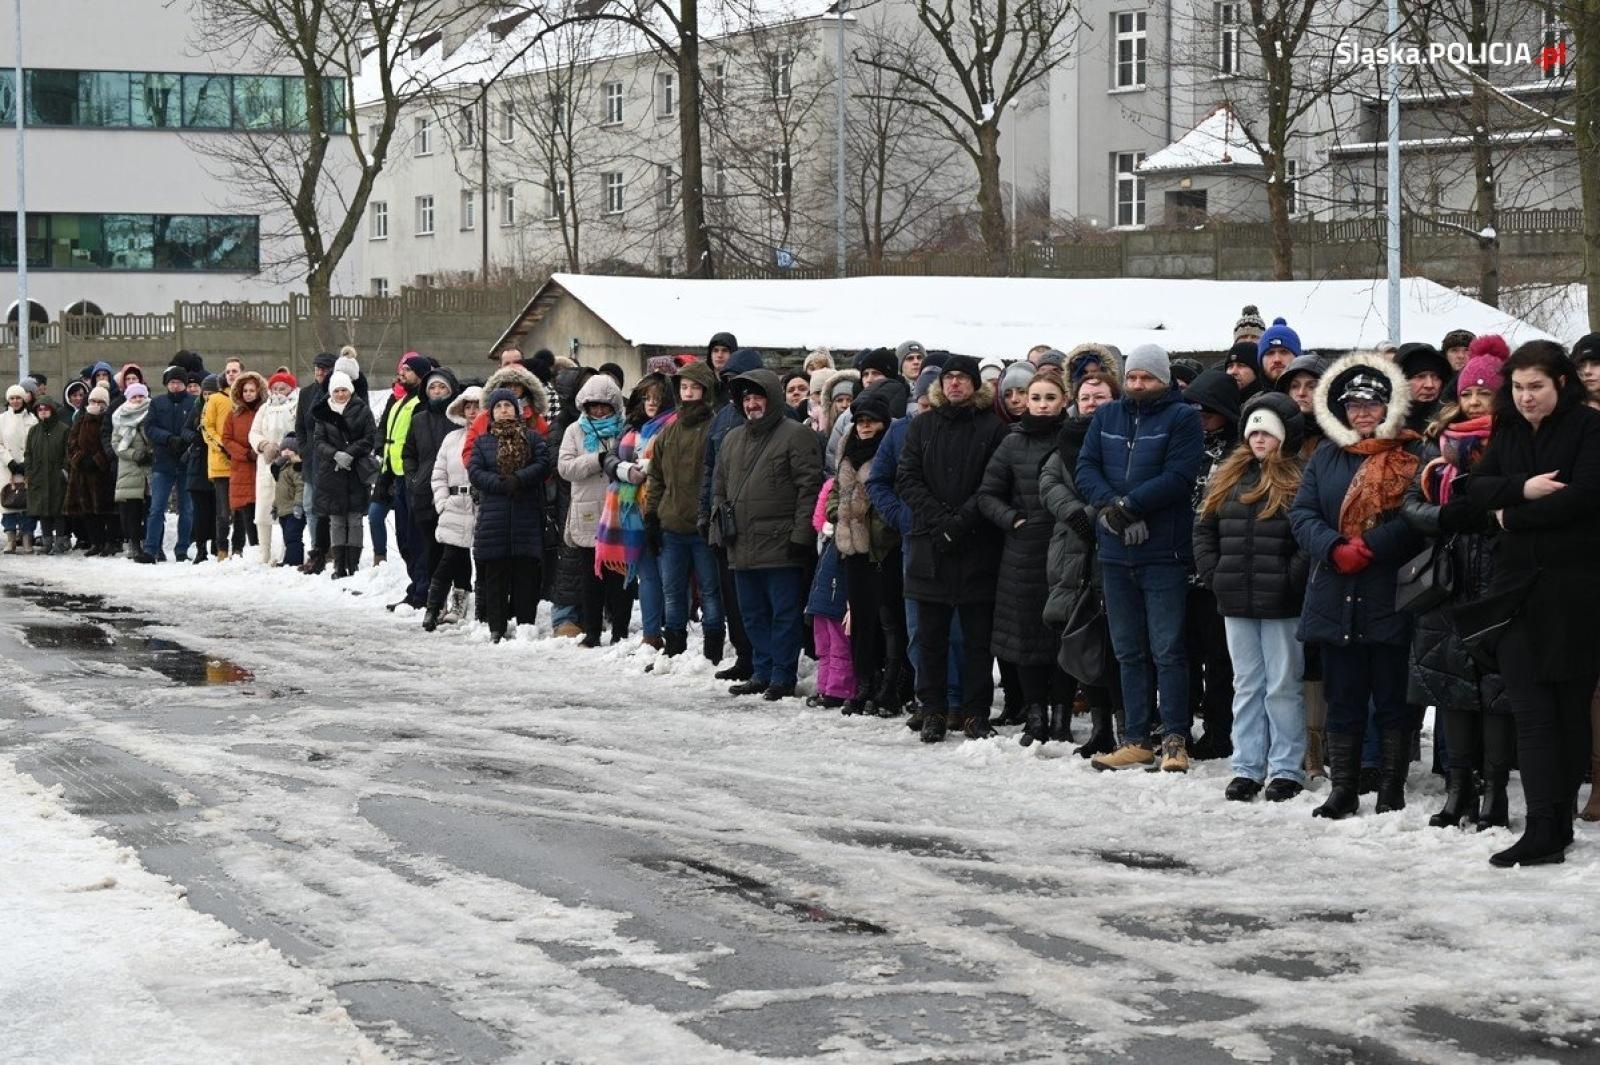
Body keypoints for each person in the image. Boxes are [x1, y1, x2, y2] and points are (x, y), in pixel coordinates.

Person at [1463, 341, 1600, 866]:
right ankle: (1542, 825)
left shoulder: (1589, 430)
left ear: (1560, 383)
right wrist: (1525, 487)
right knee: (1532, 712)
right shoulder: (1510, 431)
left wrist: (1512, 514)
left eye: (1535, 387)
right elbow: (1477, 489)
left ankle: (1557, 823)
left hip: (1576, 595)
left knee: (1567, 710)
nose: (1525, 398)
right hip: (1516, 594)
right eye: (1517, 388)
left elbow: (1586, 497)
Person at [1290, 351, 1425, 819]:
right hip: (1335, 590)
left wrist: (1371, 546)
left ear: (1389, 406)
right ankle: (1344, 788)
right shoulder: (1326, 455)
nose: (1362, 412)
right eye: (1354, 405)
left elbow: (1419, 515)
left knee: (1392, 698)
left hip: (1390, 589)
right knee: (1342, 698)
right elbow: (1302, 514)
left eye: (1371, 404)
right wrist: (1333, 547)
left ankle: (1391, 787)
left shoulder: (1411, 454)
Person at [1400, 344, 1513, 831]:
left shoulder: (1513, 444)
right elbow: (1410, 504)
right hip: (1447, 584)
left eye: (1485, 392)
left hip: (1496, 583)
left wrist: (1487, 515)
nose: (1475, 401)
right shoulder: (1438, 444)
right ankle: (1457, 790)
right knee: (1452, 692)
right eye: (1468, 392)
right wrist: (1444, 514)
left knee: (1495, 694)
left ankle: (1495, 794)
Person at [1077, 344, 1204, 772]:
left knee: (1168, 649)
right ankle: (1135, 737)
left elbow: (1180, 475)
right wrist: (1114, 508)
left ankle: (1174, 738)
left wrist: (1132, 506)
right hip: (1114, 552)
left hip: (1163, 551)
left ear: (1163, 379)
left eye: (1146, 378)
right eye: (1132, 377)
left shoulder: (1183, 417)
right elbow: (1086, 468)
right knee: (1128, 649)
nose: (1137, 385)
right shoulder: (1107, 416)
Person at [1195, 392, 1310, 801]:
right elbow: (1204, 528)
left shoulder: (1298, 477)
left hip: (1280, 601)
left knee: (1282, 684)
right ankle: (1247, 765)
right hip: (1236, 597)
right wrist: (1215, 574)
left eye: (1268, 432)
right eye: (1254, 431)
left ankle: (1286, 768)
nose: (1259, 439)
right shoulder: (1227, 475)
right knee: (1246, 684)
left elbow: (1306, 538)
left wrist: (1289, 579)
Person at [897, 355, 1009, 741]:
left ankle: (976, 711)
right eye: (949, 378)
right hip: (931, 546)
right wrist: (940, 520)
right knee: (930, 638)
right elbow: (907, 477)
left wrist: (961, 522)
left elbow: (994, 483)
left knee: (977, 640)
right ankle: (933, 710)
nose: (955, 384)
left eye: (963, 378)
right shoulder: (923, 425)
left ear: (975, 385)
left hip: (978, 546)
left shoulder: (993, 428)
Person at [712, 368, 823, 699]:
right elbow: (719, 487)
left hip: (781, 544)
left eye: (758, 396)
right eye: (746, 398)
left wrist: (801, 535)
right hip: (741, 544)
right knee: (752, 614)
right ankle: (761, 670)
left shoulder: (795, 435)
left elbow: (809, 488)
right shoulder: (731, 439)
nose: (751, 403)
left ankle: (783, 675)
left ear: (772, 398)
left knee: (784, 615)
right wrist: (719, 525)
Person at [979, 368, 1071, 746]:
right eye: (1036, 398)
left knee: (1066, 633)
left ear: (1063, 400)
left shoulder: (1074, 437)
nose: (1042, 405)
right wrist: (1012, 519)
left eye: (1050, 397)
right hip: (1024, 551)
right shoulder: (1012, 443)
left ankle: (1062, 713)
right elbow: (988, 493)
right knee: (1028, 635)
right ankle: (1035, 713)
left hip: (1069, 548)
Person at [1041, 371, 1124, 757]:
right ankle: (1100, 727)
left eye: (1101, 396)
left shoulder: (1122, 438)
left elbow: (1124, 485)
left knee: (1118, 645)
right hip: (1072, 556)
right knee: (1081, 640)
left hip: (1112, 548)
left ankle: (1129, 728)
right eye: (1086, 397)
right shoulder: (1066, 439)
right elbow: (1048, 482)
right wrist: (1073, 512)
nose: (1092, 402)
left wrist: (1091, 514)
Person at [645, 361, 725, 662]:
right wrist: (651, 516)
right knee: (672, 593)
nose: (688, 393)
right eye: (683, 387)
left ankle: (713, 651)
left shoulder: (714, 428)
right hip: (671, 525)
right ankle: (675, 648)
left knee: (710, 592)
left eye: (694, 387)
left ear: (705, 391)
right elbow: (656, 477)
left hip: (703, 527)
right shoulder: (669, 431)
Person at [830, 387, 903, 715]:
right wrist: (837, 512)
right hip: (853, 548)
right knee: (860, 620)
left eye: (872, 421)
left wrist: (878, 519)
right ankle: (864, 681)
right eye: (860, 420)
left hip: (883, 546)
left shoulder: (891, 452)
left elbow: (896, 492)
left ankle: (892, 684)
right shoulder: (848, 451)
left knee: (888, 619)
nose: (865, 426)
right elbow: (835, 489)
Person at [1183, 368, 1243, 758]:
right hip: (1178, 565)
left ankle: (1219, 730)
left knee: (1220, 659)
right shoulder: (1183, 445)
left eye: (1209, 408)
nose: (1201, 414)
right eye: (1195, 407)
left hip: (1221, 567)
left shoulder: (1238, 453)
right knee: (1183, 653)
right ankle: (1178, 727)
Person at [699, 348, 766, 680]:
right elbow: (710, 471)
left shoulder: (774, 415)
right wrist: (704, 513)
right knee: (733, 596)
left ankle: (766, 661)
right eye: (728, 381)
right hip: (725, 520)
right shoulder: (722, 419)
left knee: (760, 598)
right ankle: (744, 656)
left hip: (762, 521)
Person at [598, 374, 675, 650]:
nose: (651, 403)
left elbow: (664, 464)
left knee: (669, 576)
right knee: (647, 575)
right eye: (646, 397)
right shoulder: (632, 424)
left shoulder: (672, 424)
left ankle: (673, 631)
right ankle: (651, 633)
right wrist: (625, 470)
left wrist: (641, 467)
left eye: (656, 397)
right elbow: (608, 457)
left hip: (663, 508)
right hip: (632, 511)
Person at [469, 388, 552, 643]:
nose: (504, 409)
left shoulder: (533, 437)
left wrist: (519, 479)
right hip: (494, 518)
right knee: (495, 575)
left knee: (525, 573)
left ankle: (526, 623)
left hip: (526, 515)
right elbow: (475, 471)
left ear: (517, 410)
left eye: (508, 405)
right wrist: (499, 483)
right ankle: (496, 625)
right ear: (491, 413)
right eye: (498, 406)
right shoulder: (483, 442)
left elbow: (543, 463)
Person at [557, 373, 632, 647]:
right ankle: (592, 631)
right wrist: (598, 459)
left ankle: (620, 632)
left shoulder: (625, 429)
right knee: (591, 576)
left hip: (618, 509)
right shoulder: (574, 431)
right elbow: (565, 468)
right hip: (587, 510)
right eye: (594, 405)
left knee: (619, 574)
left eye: (605, 405)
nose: (599, 411)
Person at [398, 368, 462, 611]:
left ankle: (458, 602)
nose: (437, 391)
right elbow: (409, 453)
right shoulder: (419, 419)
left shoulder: (458, 419)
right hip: (424, 493)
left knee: (456, 550)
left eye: (442, 387)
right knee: (431, 549)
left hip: (454, 493)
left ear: (451, 389)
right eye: (433, 387)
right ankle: (436, 603)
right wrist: (413, 479)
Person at [424, 386, 483, 631]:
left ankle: (472, 606)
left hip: (482, 505)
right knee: (451, 557)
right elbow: (438, 473)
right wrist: (442, 501)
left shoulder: (490, 437)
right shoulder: (452, 439)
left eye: (476, 406)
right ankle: (435, 606)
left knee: (479, 559)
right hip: (455, 504)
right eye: (467, 407)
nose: (471, 411)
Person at [311, 371, 379, 579]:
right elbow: (318, 440)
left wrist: (350, 454)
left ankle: (353, 564)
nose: (340, 394)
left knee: (355, 518)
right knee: (337, 519)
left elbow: (370, 437)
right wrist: (335, 455)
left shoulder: (362, 409)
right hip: (331, 472)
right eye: (336, 390)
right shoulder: (322, 413)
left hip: (355, 470)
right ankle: (339, 566)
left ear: (350, 390)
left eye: (344, 390)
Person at [806, 478, 854, 708]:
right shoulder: (825, 543)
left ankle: (839, 687)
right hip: (823, 597)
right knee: (824, 643)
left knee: (838, 642)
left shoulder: (845, 545)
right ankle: (825, 685)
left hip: (835, 597)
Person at [140, 366, 196, 563]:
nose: (175, 386)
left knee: (187, 509)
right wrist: (168, 438)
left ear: (185, 384)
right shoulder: (157, 402)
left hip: (185, 462)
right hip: (162, 462)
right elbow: (150, 427)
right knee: (156, 509)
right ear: (166, 384)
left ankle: (182, 549)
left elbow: (196, 427)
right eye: (172, 383)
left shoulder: (193, 403)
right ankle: (151, 548)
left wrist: (184, 440)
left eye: (179, 383)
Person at [248, 371, 298, 564]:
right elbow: (254, 432)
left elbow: (299, 431)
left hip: (288, 463)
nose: (278, 392)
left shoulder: (295, 406)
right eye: (275, 388)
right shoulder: (264, 409)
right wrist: (263, 445)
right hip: (266, 463)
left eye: (282, 388)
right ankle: (264, 551)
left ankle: (287, 550)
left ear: (290, 389)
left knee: (286, 508)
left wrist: (289, 447)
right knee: (263, 510)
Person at [296, 353, 337, 573]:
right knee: (310, 505)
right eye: (317, 368)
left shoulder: (336, 392)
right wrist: (303, 450)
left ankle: (331, 548)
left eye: (325, 368)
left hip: (330, 457)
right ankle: (316, 549)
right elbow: (300, 426)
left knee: (329, 508)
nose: (320, 372)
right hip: (311, 457)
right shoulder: (306, 393)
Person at [65, 386, 118, 555]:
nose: (96, 404)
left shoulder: (110, 419)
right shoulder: (80, 419)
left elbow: (111, 442)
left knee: (108, 510)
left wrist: (97, 460)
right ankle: (96, 542)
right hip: (82, 473)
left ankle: (110, 542)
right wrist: (80, 458)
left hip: (103, 473)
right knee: (87, 510)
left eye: (100, 402)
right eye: (93, 401)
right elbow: (71, 443)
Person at [222, 371, 267, 559]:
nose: (248, 393)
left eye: (252, 390)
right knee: (245, 509)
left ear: (259, 392)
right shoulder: (234, 415)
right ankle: (251, 548)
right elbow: (226, 439)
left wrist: (259, 450)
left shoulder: (264, 412)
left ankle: (264, 548)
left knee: (262, 507)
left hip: (262, 464)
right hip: (242, 466)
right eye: (245, 390)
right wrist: (244, 454)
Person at [111, 383, 154, 560]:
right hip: (129, 470)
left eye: (140, 396)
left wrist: (150, 453)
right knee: (131, 512)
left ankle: (149, 544)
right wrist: (134, 454)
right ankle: (134, 544)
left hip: (149, 470)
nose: (137, 400)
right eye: (134, 397)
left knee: (150, 510)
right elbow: (116, 445)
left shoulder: (152, 413)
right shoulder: (120, 417)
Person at [24, 397, 70, 553]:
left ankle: (60, 542)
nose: (43, 412)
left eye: (46, 409)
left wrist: (64, 471)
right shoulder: (34, 431)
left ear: (52, 410)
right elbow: (28, 453)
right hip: (39, 476)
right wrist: (29, 472)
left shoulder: (63, 429)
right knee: (43, 511)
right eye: (40, 410)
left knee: (58, 511)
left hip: (57, 476)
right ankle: (47, 541)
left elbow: (67, 453)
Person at [201, 365, 236, 561]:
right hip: (221, 464)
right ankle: (222, 549)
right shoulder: (214, 399)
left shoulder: (244, 399)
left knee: (241, 510)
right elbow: (207, 427)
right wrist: (223, 446)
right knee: (223, 511)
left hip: (242, 462)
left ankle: (240, 548)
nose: (232, 376)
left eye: (235, 372)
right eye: (229, 372)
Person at [1, 384, 38, 554]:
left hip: (27, 467)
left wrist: (25, 463)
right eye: (12, 398)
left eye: (18, 398)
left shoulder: (32, 419)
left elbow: (35, 443)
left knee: (26, 503)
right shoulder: (2, 419)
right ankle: (10, 539)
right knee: (8, 503)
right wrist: (10, 462)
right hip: (6, 468)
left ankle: (27, 538)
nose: (15, 401)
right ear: (8, 400)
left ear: (24, 399)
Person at [270, 434, 307, 569]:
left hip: (294, 510)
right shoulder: (282, 469)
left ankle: (294, 561)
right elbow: (279, 490)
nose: (286, 451)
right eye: (283, 449)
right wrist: (275, 506)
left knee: (293, 537)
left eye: (290, 449)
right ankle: (289, 560)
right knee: (287, 537)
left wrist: (298, 504)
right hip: (283, 510)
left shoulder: (295, 468)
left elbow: (300, 487)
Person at [1399, 343, 1454, 434]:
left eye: (1435, 377)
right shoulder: (1379, 421)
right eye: (1420, 377)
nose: (1430, 385)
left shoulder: (1453, 420)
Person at [1258, 317, 1302, 386]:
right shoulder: (1252, 397)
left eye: (1284, 352)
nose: (1277, 359)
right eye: (1270, 353)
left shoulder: (1314, 395)